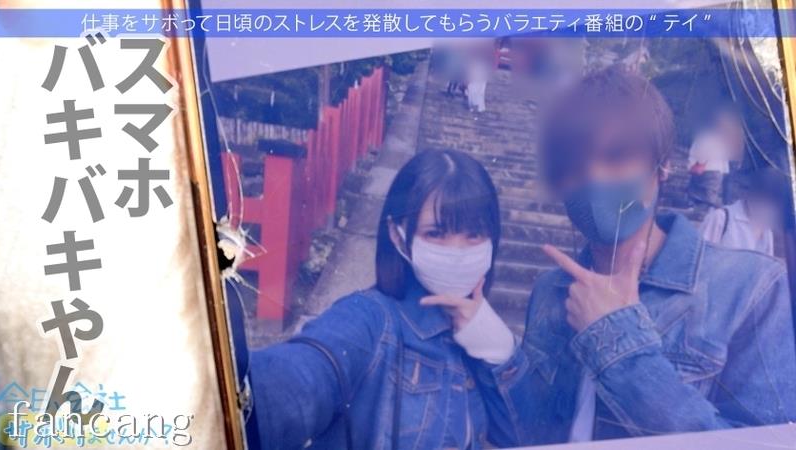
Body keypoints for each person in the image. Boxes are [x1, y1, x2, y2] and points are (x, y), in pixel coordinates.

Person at [467, 66, 796, 446]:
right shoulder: (551, 289)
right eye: (575, 163)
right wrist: (495, 347)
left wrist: (617, 341)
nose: (594, 176)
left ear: (663, 166)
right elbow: (532, 431)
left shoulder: (749, 290)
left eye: (617, 156)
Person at [249, 149, 514, 449]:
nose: (457, 251)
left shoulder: (481, 331)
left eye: (474, 234)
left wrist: (499, 352)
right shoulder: (369, 320)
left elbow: (520, 435)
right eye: (436, 233)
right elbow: (297, 381)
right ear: (397, 235)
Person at [699, 166, 788, 256]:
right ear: (749, 193)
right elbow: (701, 256)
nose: (766, 205)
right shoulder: (720, 218)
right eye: (762, 197)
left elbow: (765, 262)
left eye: (771, 201)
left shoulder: (767, 230)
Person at [687, 105, 746, 207]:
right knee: (711, 193)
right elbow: (724, 155)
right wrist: (724, 169)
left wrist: (697, 163)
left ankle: (711, 205)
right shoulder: (720, 138)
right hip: (717, 170)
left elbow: (702, 153)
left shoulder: (707, 137)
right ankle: (715, 204)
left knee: (705, 193)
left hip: (708, 169)